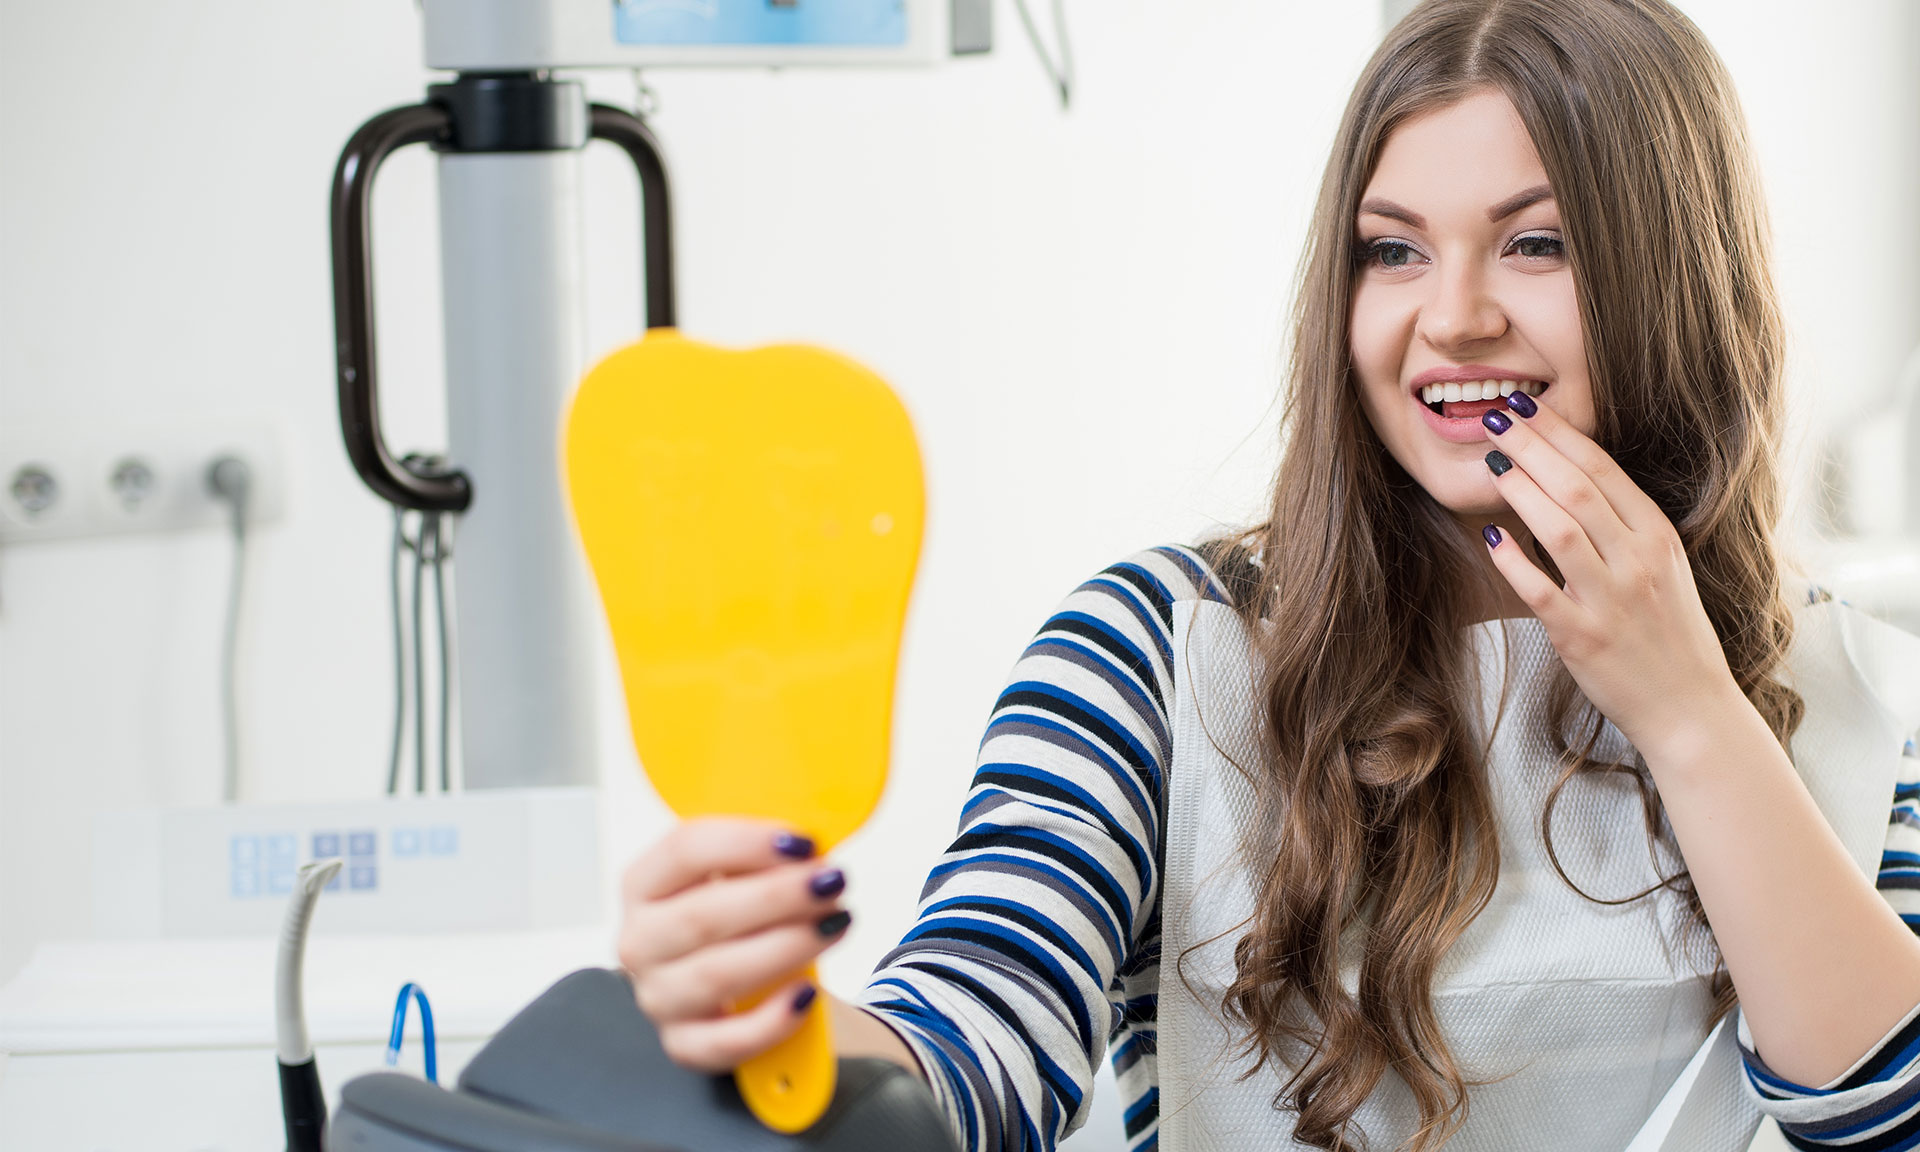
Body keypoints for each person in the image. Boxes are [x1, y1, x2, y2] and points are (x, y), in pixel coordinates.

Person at [613, 0, 1920, 1148]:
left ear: (1674, 287)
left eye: (1539, 245)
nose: (1450, 316)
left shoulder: (1865, 688)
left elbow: (1883, 1114)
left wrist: (1688, 712)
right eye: (1392, 250)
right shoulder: (1148, 649)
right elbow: (975, 1060)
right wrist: (773, 1019)